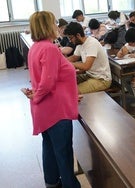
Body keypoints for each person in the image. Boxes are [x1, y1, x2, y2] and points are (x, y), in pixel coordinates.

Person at [25, 11, 81, 188]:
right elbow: (48, 83)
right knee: (63, 152)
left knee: (49, 147)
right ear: (47, 26)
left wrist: (37, 95)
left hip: (45, 107)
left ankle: (52, 182)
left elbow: (46, 78)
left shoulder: (36, 47)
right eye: (54, 23)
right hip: (55, 110)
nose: (57, 26)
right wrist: (38, 95)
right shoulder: (49, 48)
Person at [64, 22, 112, 94]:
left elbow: (86, 66)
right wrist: (61, 61)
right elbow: (74, 57)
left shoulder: (91, 43)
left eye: (71, 38)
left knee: (72, 92)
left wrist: (70, 64)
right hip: (90, 75)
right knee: (64, 82)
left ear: (78, 35)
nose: (70, 41)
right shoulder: (79, 44)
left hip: (101, 79)